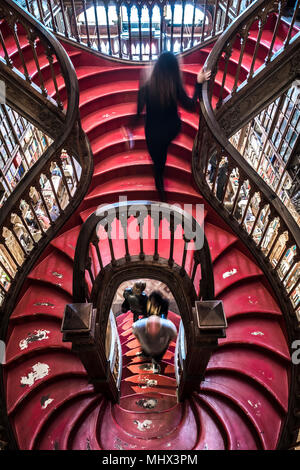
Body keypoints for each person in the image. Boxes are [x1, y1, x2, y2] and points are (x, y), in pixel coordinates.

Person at [130, 52, 211, 201]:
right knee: (163, 153)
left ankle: (161, 195)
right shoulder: (175, 87)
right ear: (174, 70)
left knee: (158, 165)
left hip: (153, 135)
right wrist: (198, 83)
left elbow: (138, 112)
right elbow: (191, 105)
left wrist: (130, 128)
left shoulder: (147, 87)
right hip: (171, 130)